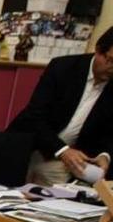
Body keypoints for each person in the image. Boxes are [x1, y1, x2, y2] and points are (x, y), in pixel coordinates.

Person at [6, 26, 113, 185]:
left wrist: (105, 156)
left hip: (67, 163)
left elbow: (110, 132)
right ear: (98, 51)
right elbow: (35, 115)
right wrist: (63, 150)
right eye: (110, 60)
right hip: (30, 146)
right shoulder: (63, 68)